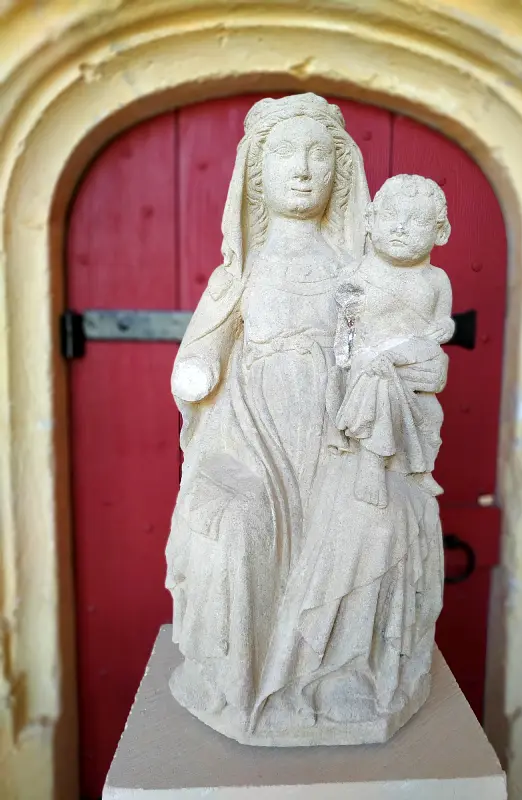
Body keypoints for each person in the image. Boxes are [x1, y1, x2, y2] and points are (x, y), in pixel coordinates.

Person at [165, 93, 370, 741]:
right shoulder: (242, 273)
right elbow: (204, 345)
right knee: (239, 530)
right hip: (252, 440)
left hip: (338, 438)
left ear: (339, 169)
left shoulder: (353, 270)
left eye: (317, 155)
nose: (303, 169)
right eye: (285, 154)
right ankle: (240, 680)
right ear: (257, 170)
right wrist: (195, 370)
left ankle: (327, 674)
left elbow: (380, 346)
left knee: (356, 536)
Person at [333, 174, 454, 507]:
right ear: (371, 220)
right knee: (381, 388)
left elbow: (441, 322)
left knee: (431, 414)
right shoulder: (356, 275)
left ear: (440, 232)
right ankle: (372, 464)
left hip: (414, 360)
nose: (401, 228)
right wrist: (351, 360)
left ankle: (419, 469)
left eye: (416, 221)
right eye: (391, 217)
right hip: (369, 364)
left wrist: (443, 330)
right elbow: (344, 332)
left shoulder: (437, 280)